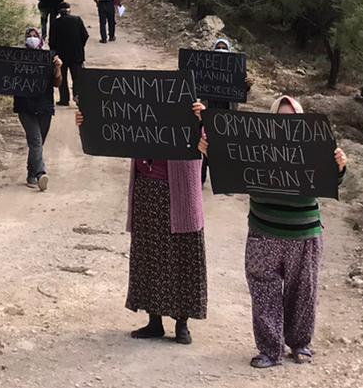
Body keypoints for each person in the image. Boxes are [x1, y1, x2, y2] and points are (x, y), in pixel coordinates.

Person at [74, 101, 208, 345]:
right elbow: (109, 130)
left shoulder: (191, 116)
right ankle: (154, 320)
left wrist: (202, 121)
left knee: (181, 253)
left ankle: (182, 323)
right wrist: (88, 122)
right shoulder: (141, 116)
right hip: (147, 189)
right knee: (149, 254)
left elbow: (211, 146)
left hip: (180, 194)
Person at [239, 94, 348, 369]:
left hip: (304, 232)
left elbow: (330, 181)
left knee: (303, 291)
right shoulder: (255, 147)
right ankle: (269, 349)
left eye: (293, 118)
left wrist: (339, 166)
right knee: (264, 292)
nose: (287, 124)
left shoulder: (314, 146)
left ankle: (300, 344)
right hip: (263, 231)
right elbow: (230, 167)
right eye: (281, 117)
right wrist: (210, 151)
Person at [5, 26, 61, 190]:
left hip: (44, 107)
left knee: (38, 143)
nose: (32, 36)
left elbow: (57, 83)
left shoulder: (49, 58)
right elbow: (3, 73)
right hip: (25, 108)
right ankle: (40, 174)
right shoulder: (17, 57)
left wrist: (58, 67)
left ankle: (31, 174)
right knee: (36, 141)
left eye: (35, 34)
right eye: (29, 34)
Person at [199, 36, 250, 187]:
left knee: (224, 149)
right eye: (218, 47)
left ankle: (225, 182)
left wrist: (246, 85)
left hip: (227, 114)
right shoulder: (206, 69)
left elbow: (241, 93)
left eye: (224, 47)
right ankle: (200, 179)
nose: (221, 50)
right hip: (208, 111)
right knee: (204, 145)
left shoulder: (235, 71)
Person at [48, 2, 88, 106]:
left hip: (61, 55)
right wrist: (80, 46)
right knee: (77, 77)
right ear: (69, 10)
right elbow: (85, 35)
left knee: (62, 77)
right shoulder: (77, 20)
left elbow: (51, 41)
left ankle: (64, 99)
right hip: (76, 54)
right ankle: (78, 96)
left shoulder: (55, 23)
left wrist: (54, 53)